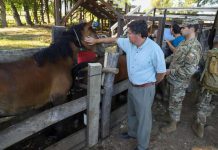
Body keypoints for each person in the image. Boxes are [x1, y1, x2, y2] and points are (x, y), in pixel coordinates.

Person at [85, 20, 166, 150]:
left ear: (138, 34)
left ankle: (142, 146)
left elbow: (161, 73)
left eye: (129, 33)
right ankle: (132, 133)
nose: (127, 36)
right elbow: (115, 39)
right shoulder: (130, 43)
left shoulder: (155, 50)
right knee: (132, 112)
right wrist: (96, 41)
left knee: (144, 119)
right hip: (132, 86)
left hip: (145, 89)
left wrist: (152, 83)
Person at [161, 18, 202, 133]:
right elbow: (175, 56)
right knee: (171, 100)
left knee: (176, 102)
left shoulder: (194, 46)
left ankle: (173, 124)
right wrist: (163, 61)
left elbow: (190, 70)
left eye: (184, 27)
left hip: (179, 81)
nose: (181, 29)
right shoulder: (184, 42)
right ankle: (170, 117)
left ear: (192, 29)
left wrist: (171, 71)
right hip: (172, 78)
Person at [192, 34, 218, 138]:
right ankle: (208, 114)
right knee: (213, 103)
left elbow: (199, 68)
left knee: (203, 105)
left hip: (208, 85)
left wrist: (198, 79)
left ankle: (200, 127)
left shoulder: (208, 54)